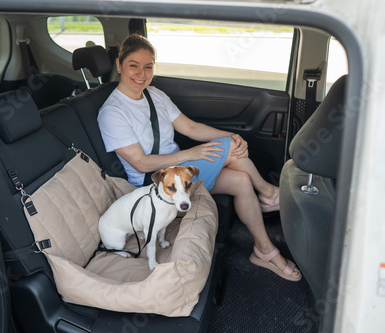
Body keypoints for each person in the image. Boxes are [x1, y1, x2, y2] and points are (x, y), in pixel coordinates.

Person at [98, 34, 301, 282]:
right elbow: (140, 163)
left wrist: (231, 134)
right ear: (119, 65)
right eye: (133, 65)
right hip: (157, 185)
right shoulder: (112, 112)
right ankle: (270, 194)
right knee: (226, 149)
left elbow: (191, 128)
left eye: (148, 66)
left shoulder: (155, 96)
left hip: (180, 170)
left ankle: (263, 250)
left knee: (241, 180)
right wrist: (192, 153)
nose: (142, 73)